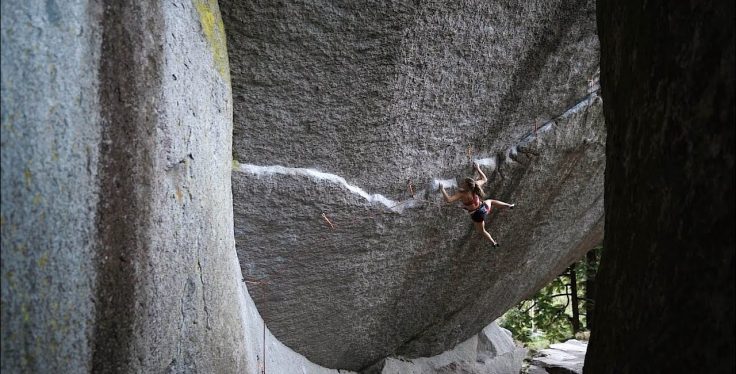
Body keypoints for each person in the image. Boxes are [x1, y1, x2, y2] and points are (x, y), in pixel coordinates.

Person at [440, 163, 514, 247]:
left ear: (466, 185)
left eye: (463, 183)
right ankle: (509, 205)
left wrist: (442, 189)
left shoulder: (462, 194)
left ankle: (493, 242)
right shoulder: (476, 186)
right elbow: (485, 179)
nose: (462, 183)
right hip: (484, 209)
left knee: (482, 231)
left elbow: (448, 200)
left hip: (477, 215)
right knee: (491, 201)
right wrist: (478, 168)